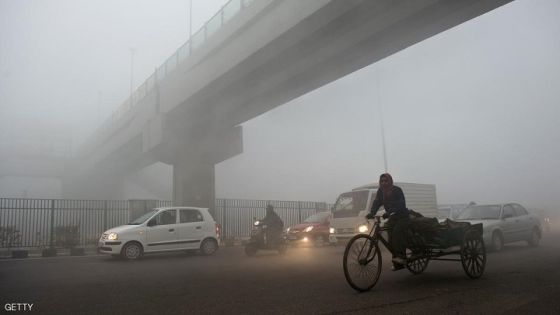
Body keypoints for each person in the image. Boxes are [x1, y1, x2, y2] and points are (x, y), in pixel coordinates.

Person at [366, 173, 410, 270]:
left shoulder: (397, 190)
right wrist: (372, 213)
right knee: (390, 238)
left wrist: (390, 212)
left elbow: (401, 204)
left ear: (390, 181)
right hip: (392, 218)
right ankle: (396, 261)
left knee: (397, 232)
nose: (384, 183)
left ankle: (402, 257)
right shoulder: (381, 192)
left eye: (386, 181)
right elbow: (377, 202)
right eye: (382, 181)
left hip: (402, 217)